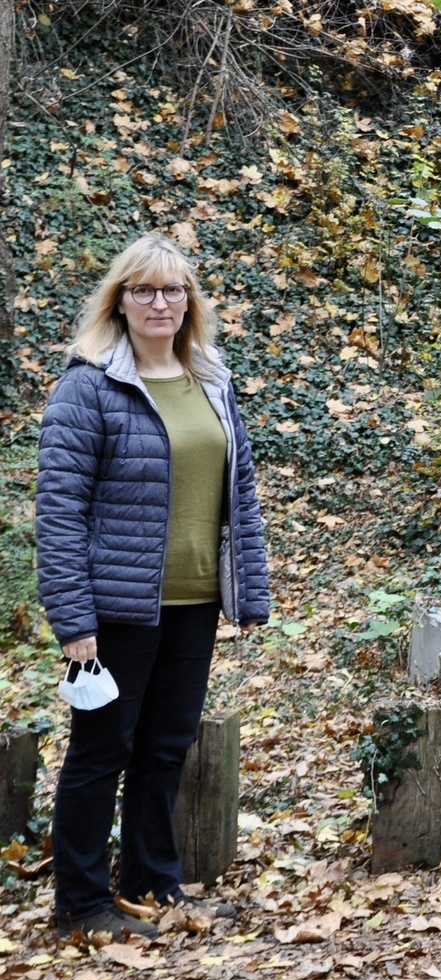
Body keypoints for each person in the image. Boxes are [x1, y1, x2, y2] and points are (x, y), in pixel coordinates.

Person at [36, 232, 270, 940]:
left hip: (194, 600)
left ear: (190, 302)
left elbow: (242, 495)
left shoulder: (212, 380)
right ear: (120, 301)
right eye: (144, 289)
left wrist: (247, 591)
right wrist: (75, 620)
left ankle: (150, 882)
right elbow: (59, 510)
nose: (160, 302)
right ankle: (80, 903)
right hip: (115, 609)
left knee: (166, 746)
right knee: (101, 751)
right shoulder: (89, 386)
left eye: (173, 290)